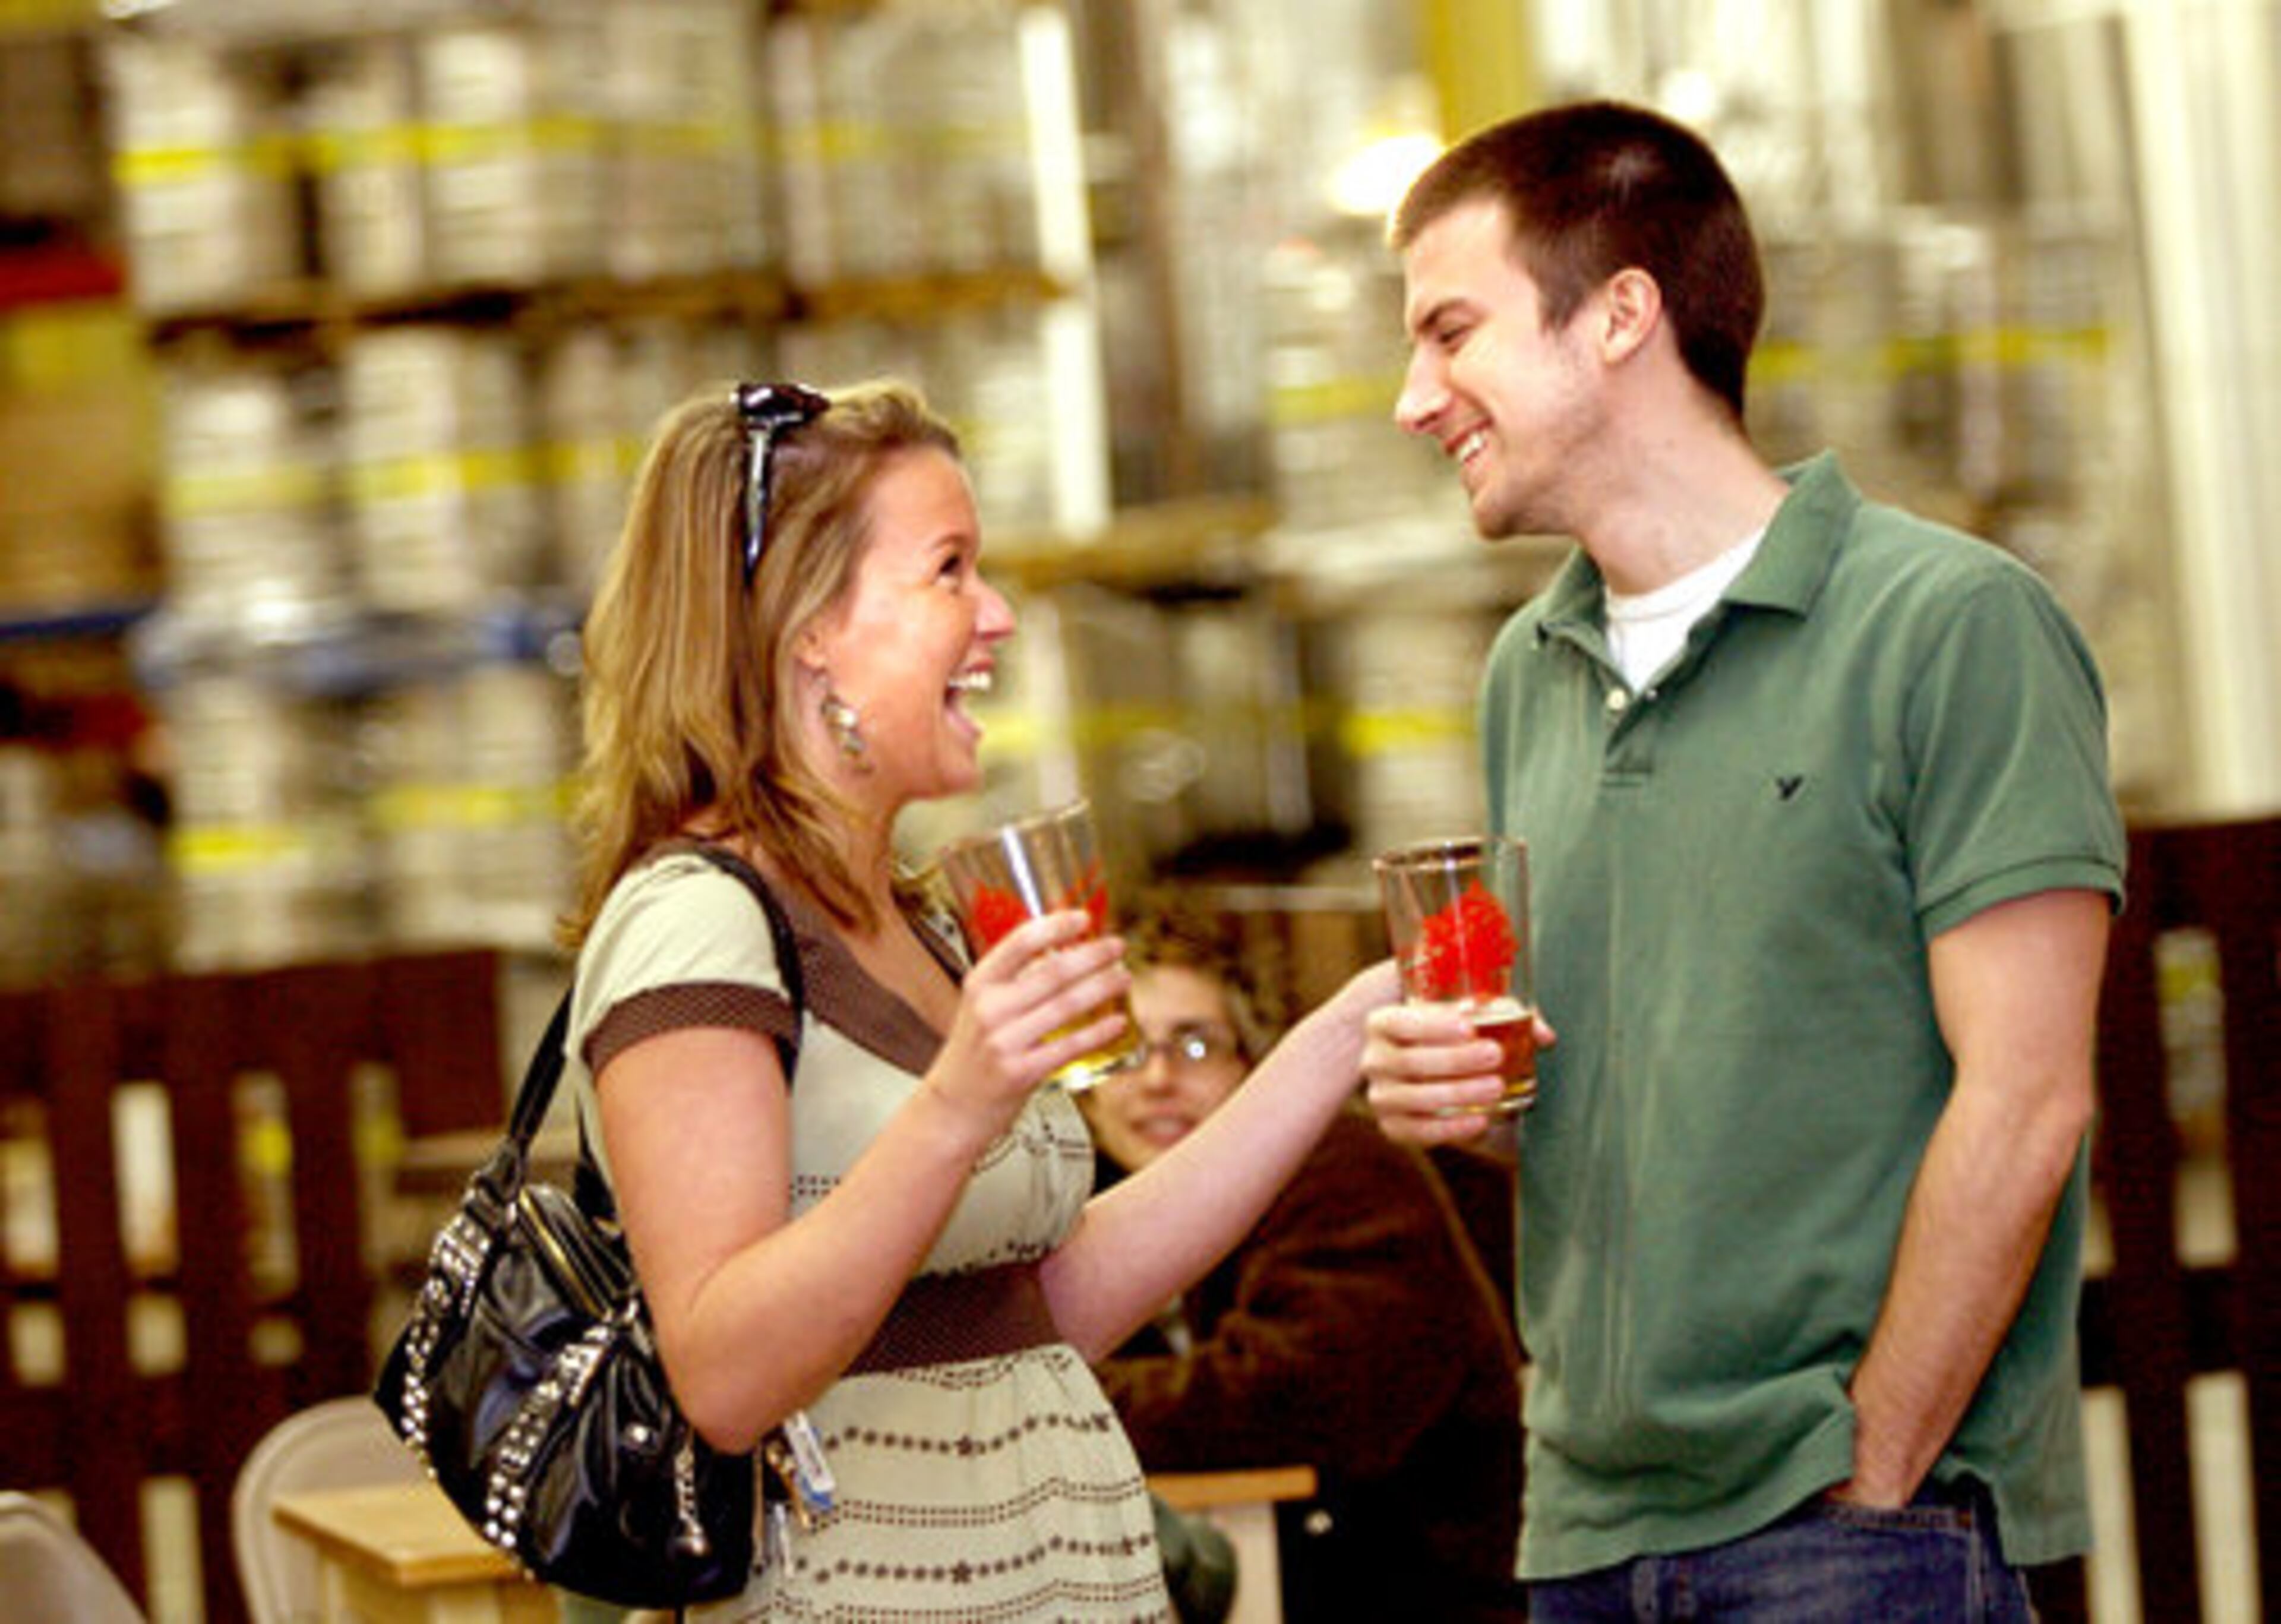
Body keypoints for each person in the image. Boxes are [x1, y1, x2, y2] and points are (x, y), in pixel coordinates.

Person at [1366, 100, 2126, 1622]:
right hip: (1582, 1530)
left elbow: (2028, 1098)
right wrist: (1458, 1098)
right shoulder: (1527, 670)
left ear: (1619, 316)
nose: (1411, 400)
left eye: (1451, 332)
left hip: (1851, 1528)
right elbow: (1610, 1093)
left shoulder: (1949, 625)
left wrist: (1875, 1471)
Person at [560, 378, 1394, 1620]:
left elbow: (1044, 1307)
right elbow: (725, 1376)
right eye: (950, 569)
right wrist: (961, 1100)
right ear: (808, 627)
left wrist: (1345, 1033)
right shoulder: (696, 923)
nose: (997, 613)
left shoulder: (927, 929)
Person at [1083, 905, 1528, 1623]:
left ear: (1257, 1065)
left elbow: (1293, 1395)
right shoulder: (1104, 1202)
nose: (1157, 1078)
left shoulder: (1340, 1165)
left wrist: (1059, 1401)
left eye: (1195, 1046)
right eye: (1127, 1051)